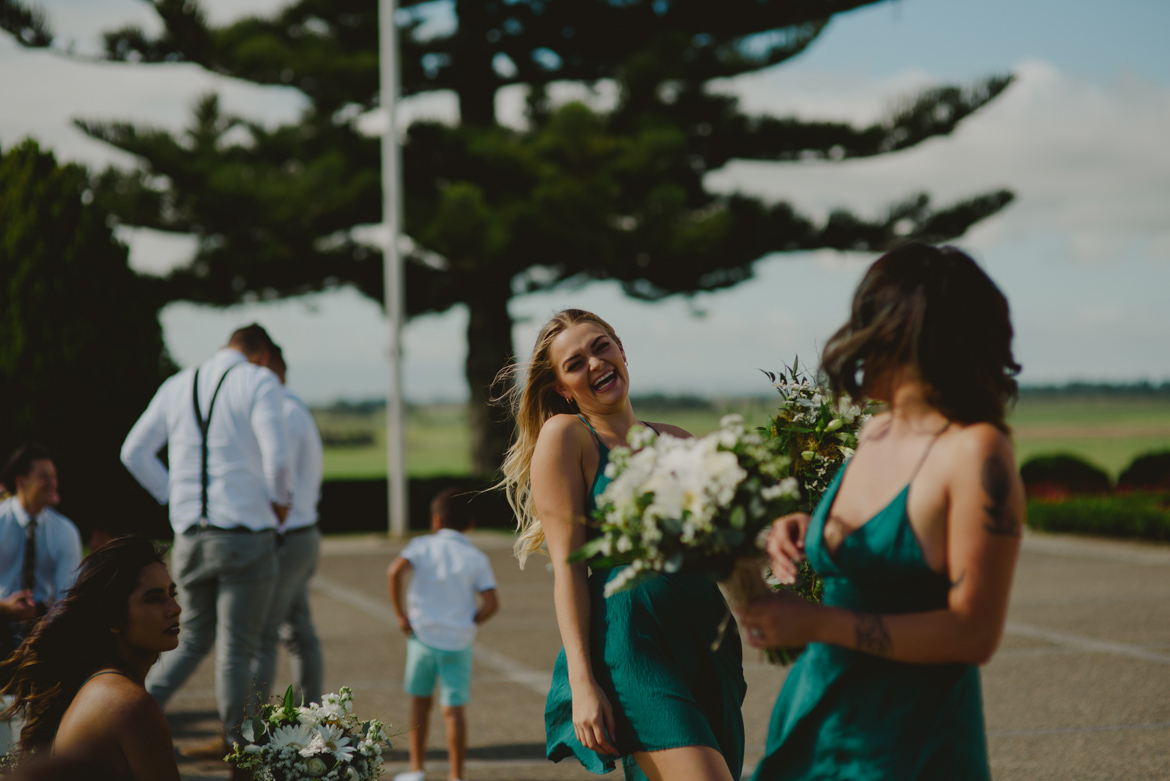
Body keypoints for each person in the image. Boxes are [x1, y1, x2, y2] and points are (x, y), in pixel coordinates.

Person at [739, 243, 1025, 780]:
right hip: (816, 716)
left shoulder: (976, 452)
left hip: (907, 741)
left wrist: (818, 621)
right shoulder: (878, 428)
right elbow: (876, 549)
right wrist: (808, 532)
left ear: (904, 335)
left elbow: (974, 634)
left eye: (865, 320)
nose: (852, 338)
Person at [500, 309, 747, 781]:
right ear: (562, 389)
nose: (594, 363)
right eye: (574, 364)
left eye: (600, 346)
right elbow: (570, 568)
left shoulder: (680, 442)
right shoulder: (568, 436)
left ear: (621, 350)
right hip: (632, 641)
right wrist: (582, 682)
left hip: (707, 636)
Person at [119, 323, 290, 767]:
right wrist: (281, 503)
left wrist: (173, 495)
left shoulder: (178, 384)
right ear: (261, 354)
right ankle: (241, 750)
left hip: (190, 535)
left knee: (189, 638)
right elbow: (277, 454)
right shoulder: (259, 380)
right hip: (244, 537)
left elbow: (133, 451)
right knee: (237, 648)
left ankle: (120, 713)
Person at [0, 535, 183, 781]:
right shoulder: (130, 705)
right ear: (114, 619)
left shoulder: (97, 682)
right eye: (153, 598)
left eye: (172, 593)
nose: (174, 608)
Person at [387, 488, 499, 781]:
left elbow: (394, 572)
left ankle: (416, 769)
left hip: (422, 639)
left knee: (419, 704)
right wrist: (471, 622)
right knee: (454, 711)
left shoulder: (422, 546)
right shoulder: (476, 557)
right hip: (458, 643)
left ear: (435, 520)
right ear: (470, 524)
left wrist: (401, 616)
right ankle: (456, 775)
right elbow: (491, 603)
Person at [253, 345, 325, 706]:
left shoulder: (282, 412)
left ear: (263, 363)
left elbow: (277, 479)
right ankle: (310, 717)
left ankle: (243, 730)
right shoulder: (293, 407)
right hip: (301, 533)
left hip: (288, 536)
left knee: (263, 635)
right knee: (298, 632)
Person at [1, 445, 83, 756]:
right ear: (21, 481)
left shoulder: (64, 531)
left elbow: (67, 595)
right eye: (44, 477)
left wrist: (44, 620)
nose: (53, 483)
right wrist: (5, 608)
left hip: (43, 621)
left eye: (55, 477)